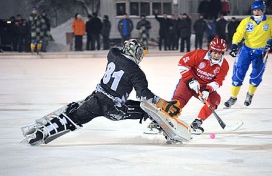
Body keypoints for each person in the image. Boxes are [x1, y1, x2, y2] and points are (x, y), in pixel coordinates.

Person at [22, 39, 181, 146]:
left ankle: (42, 133)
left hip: (96, 99)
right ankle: (164, 128)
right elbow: (144, 95)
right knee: (145, 108)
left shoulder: (113, 54)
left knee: (75, 116)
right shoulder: (136, 72)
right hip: (114, 109)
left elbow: (115, 48)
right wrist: (164, 104)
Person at [224, 0, 272, 108]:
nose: (256, 12)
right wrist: (234, 46)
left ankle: (250, 94)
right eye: (254, 10)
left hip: (261, 52)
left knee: (256, 75)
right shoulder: (246, 21)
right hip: (246, 50)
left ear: (263, 10)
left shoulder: (270, 22)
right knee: (238, 73)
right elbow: (238, 34)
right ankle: (233, 97)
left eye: (259, 10)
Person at [170, 36, 228, 133]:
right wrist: (190, 80)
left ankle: (197, 123)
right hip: (187, 83)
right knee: (179, 101)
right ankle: (165, 119)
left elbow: (219, 81)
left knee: (215, 100)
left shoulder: (224, 65)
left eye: (220, 53)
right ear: (210, 50)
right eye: (215, 52)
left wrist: (208, 90)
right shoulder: (199, 54)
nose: (217, 55)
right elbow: (182, 64)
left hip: (203, 87)